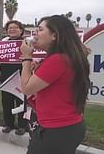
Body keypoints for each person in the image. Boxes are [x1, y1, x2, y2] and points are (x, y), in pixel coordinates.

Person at [20, 15, 90, 154]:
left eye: (40, 30)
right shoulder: (65, 57)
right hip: (67, 126)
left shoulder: (57, 60)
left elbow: (26, 88)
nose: (35, 34)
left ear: (54, 35)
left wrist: (27, 58)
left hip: (57, 129)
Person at [0, 20, 28, 135]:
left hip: (22, 78)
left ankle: (23, 125)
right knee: (7, 103)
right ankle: (8, 124)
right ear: (6, 31)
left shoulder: (26, 43)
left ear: (21, 30)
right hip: (6, 79)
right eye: (10, 28)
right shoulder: (2, 45)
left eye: (15, 27)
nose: (12, 29)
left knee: (22, 104)